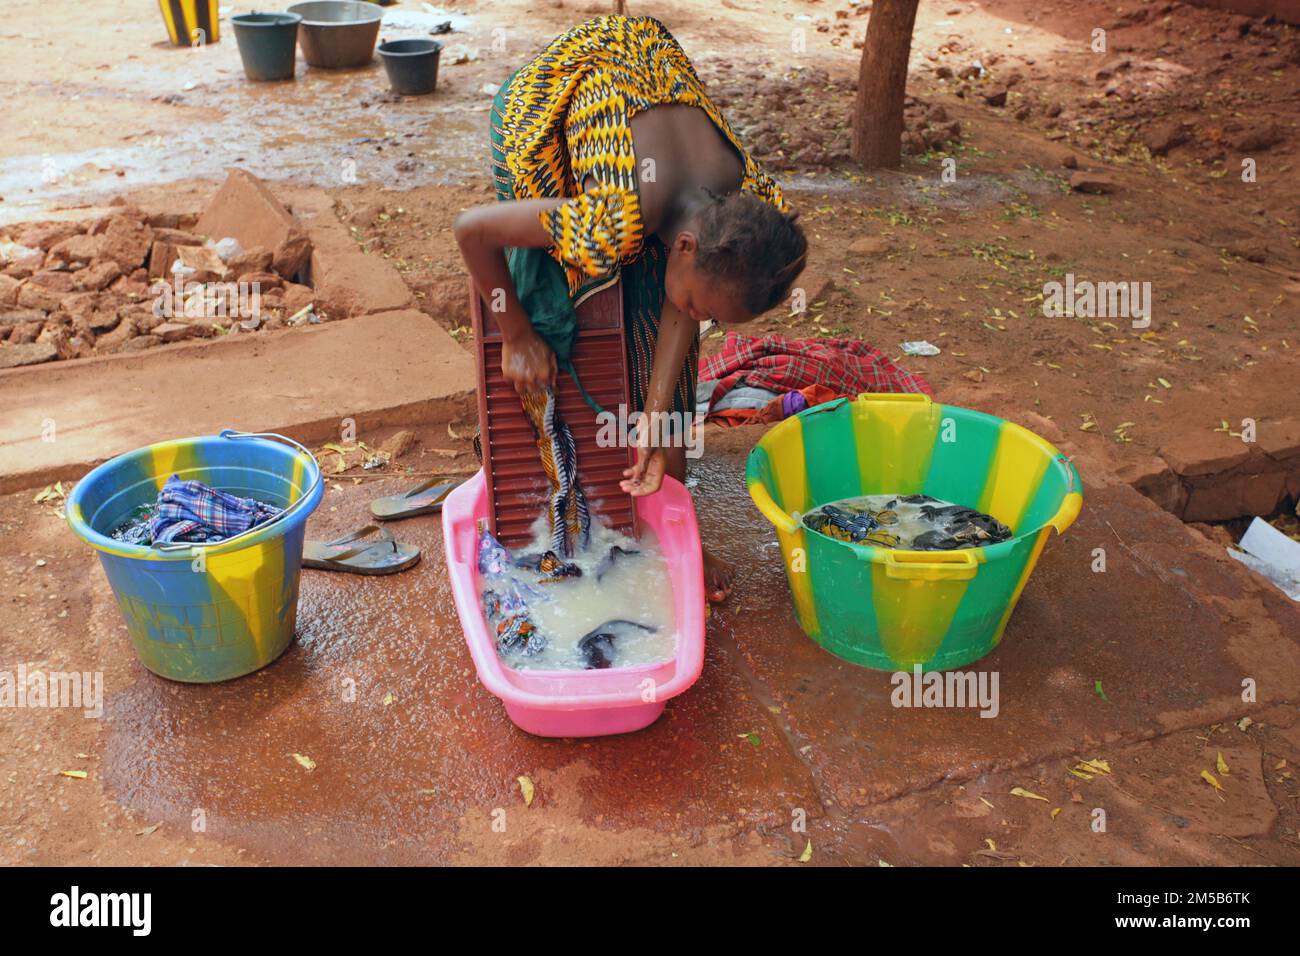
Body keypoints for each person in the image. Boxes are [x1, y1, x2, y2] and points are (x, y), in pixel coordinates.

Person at [454, 14, 807, 602]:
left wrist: (652, 414)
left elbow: (682, 308)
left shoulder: (754, 199)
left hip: (650, 85)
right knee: (555, 287)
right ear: (685, 246)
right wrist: (515, 334)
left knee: (658, 303)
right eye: (700, 305)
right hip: (552, 96)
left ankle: (674, 526)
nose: (700, 318)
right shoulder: (612, 218)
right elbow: (472, 232)